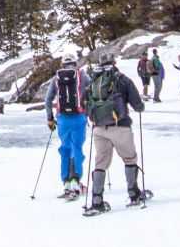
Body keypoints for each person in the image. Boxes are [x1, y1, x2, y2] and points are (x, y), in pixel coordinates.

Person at [81, 49, 146, 214]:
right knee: (129, 158)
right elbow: (138, 105)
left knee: (101, 163)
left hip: (99, 128)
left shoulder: (93, 81)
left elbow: (83, 104)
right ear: (114, 63)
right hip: (120, 126)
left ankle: (97, 200)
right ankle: (134, 194)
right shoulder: (122, 79)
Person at [45, 56, 89, 199]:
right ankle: (75, 180)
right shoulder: (82, 75)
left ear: (62, 64)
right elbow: (92, 91)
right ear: (75, 64)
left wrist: (50, 118)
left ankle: (66, 182)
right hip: (78, 117)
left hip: (63, 119)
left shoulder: (56, 78)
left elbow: (48, 99)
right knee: (77, 148)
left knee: (65, 149)